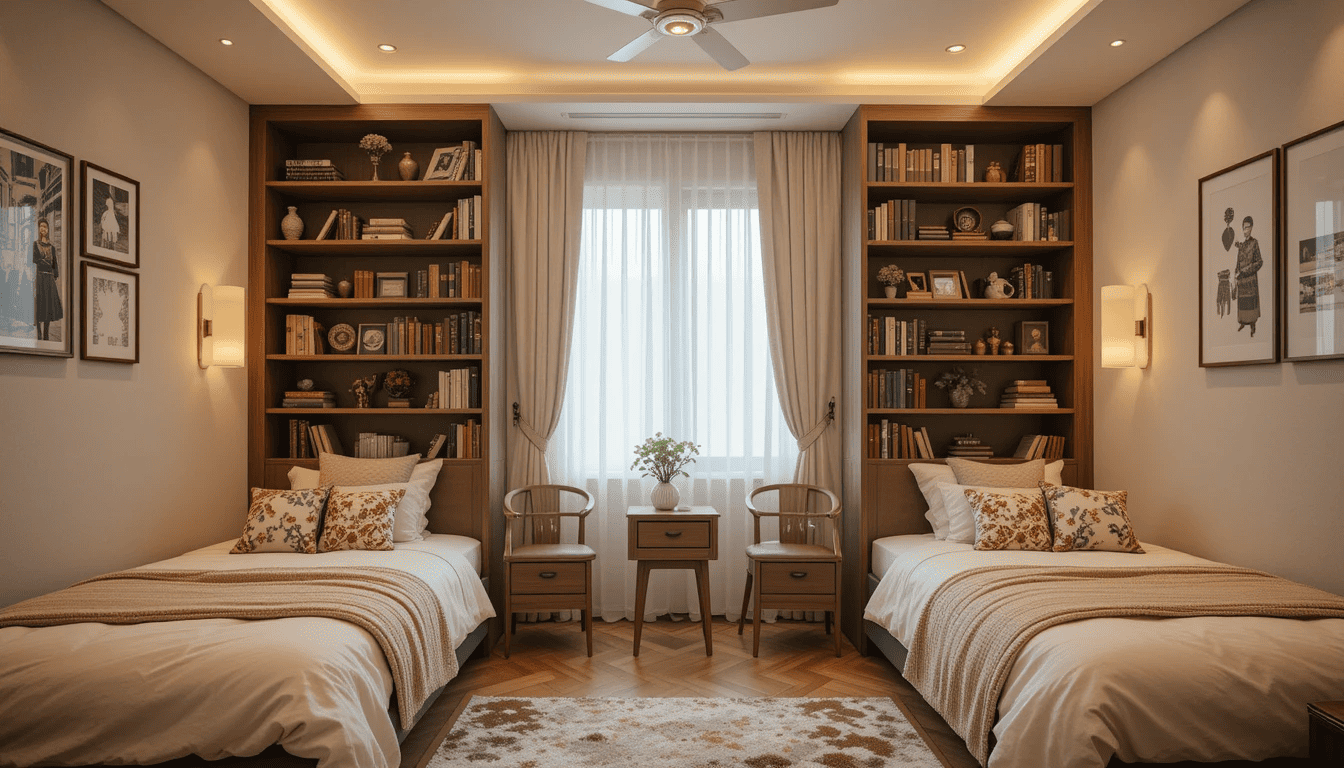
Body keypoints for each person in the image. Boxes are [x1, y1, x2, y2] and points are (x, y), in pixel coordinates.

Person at [31, 218, 62, 341]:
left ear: (48, 230)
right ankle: (38, 333)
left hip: (49, 279)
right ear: (38, 228)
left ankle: (46, 334)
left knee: (48, 306)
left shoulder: (52, 247)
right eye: (41, 226)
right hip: (39, 278)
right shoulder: (35, 244)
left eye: (45, 227)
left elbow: (54, 263)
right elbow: (34, 260)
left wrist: (55, 275)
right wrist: (42, 261)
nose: (43, 228)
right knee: (40, 305)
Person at [1233, 215, 1262, 336]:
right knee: (1243, 304)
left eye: (1248, 227)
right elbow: (1238, 263)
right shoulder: (1241, 245)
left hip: (1250, 281)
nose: (1245, 230)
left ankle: (1252, 326)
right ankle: (1243, 323)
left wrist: (1245, 271)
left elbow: (1259, 262)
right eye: (1244, 228)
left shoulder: (1254, 243)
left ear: (1251, 228)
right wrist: (1235, 274)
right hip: (1242, 283)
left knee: (1251, 303)